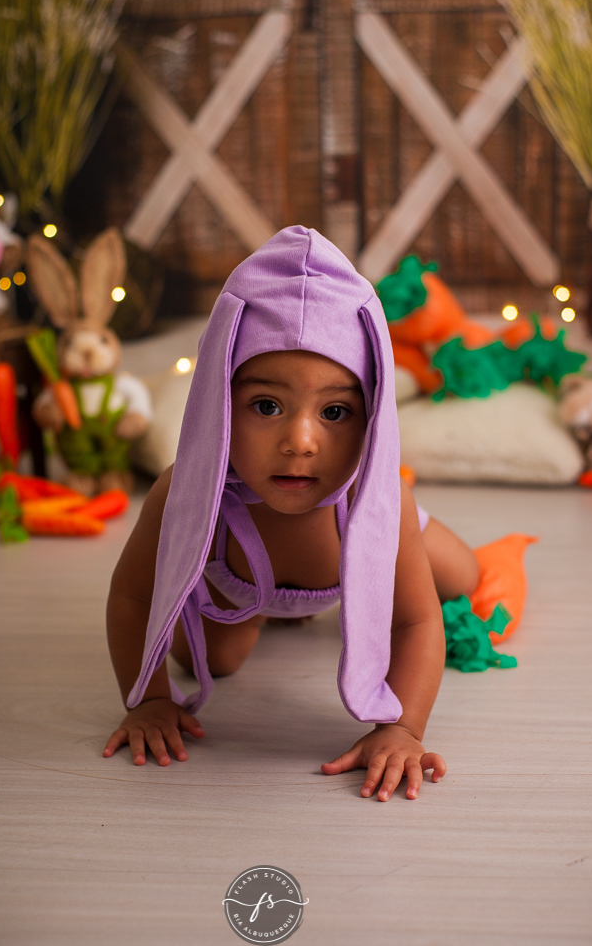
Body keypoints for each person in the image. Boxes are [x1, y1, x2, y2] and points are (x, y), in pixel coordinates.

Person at [103, 227, 479, 801]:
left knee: (463, 576)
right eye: (266, 405)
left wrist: (401, 728)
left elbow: (415, 624)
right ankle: (264, 612)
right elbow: (132, 598)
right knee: (216, 660)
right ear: (218, 401)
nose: (300, 442)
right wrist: (150, 700)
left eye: (335, 412)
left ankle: (386, 566)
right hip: (241, 588)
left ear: (373, 416)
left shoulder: (380, 501)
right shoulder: (184, 492)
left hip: (367, 526)